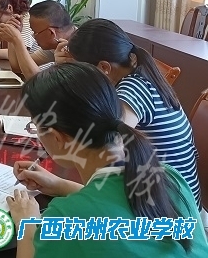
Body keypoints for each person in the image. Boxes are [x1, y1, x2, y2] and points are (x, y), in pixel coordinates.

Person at [7, 62, 207, 257]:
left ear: (57, 137)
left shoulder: (66, 218)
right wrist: (59, 185)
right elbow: (119, 213)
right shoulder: (170, 177)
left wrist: (26, 223)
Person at [66, 18, 201, 208]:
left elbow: (109, 148)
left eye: (80, 71)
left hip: (170, 206)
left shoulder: (134, 89)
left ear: (104, 67)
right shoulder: (139, 74)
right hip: (171, 195)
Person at [0, 0, 76, 79]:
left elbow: (36, 80)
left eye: (35, 32)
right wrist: (13, 36)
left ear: (51, 33)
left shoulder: (80, 47)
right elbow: (18, 67)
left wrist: (17, 39)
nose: (33, 36)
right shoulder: (56, 45)